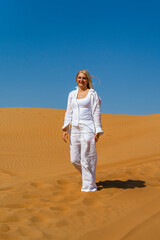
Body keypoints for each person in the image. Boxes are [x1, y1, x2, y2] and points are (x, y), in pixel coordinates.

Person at [62, 70, 103, 192]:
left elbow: (96, 113)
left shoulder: (92, 94)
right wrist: (65, 128)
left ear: (88, 80)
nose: (81, 80)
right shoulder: (72, 94)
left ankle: (88, 187)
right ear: (76, 79)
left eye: (84, 78)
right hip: (74, 129)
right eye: (79, 78)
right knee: (74, 159)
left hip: (88, 128)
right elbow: (69, 111)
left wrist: (98, 130)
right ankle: (89, 178)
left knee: (87, 157)